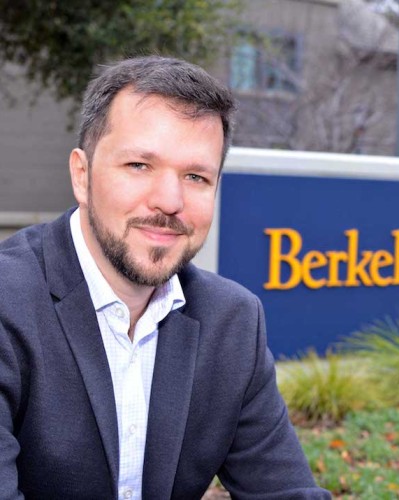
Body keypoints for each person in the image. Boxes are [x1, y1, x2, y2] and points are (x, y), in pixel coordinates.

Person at [0, 56, 330, 499]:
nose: (169, 201)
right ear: (82, 175)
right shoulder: (9, 301)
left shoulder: (231, 323)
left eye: (195, 176)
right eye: (140, 165)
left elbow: (284, 492)